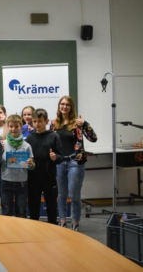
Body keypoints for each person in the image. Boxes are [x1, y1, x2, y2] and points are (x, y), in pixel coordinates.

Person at [51, 96, 97, 231]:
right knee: (61, 194)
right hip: (59, 162)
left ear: (71, 107)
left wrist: (85, 124)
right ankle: (63, 221)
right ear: (59, 106)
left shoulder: (77, 123)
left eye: (67, 105)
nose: (64, 107)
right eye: (62, 104)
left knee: (74, 194)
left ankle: (75, 222)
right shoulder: (54, 123)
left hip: (75, 162)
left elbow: (93, 138)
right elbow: (51, 142)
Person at [26, 108, 63, 224]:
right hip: (33, 178)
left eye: (40, 121)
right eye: (35, 121)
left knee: (51, 207)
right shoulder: (29, 138)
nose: (37, 124)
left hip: (49, 177)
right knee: (33, 207)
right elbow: (27, 157)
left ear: (46, 121)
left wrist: (55, 157)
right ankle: (34, 230)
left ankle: (53, 229)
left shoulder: (54, 136)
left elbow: (61, 157)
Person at [1, 114, 35, 218]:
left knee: (21, 211)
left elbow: (32, 165)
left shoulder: (27, 146)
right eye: (11, 126)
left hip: (21, 183)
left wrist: (31, 164)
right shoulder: (3, 144)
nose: (14, 129)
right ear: (8, 126)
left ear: (21, 126)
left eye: (16, 126)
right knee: (6, 211)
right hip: (6, 181)